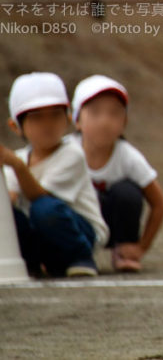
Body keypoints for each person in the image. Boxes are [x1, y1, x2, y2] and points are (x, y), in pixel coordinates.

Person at [2, 73, 109, 277]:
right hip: (43, 235)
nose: (47, 124)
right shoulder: (18, 160)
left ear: (68, 118)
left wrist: (17, 166)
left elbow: (40, 196)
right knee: (9, 216)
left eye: (55, 115)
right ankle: (32, 263)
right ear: (15, 127)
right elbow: (11, 201)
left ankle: (80, 257)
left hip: (81, 233)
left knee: (44, 208)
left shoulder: (72, 153)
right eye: (36, 117)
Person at [69, 75, 163, 273]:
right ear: (77, 120)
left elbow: (159, 205)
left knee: (128, 192)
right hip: (79, 226)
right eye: (95, 113)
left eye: (114, 113)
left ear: (125, 122)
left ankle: (123, 251)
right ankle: (73, 253)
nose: (105, 121)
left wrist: (141, 247)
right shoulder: (65, 153)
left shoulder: (129, 157)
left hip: (113, 224)